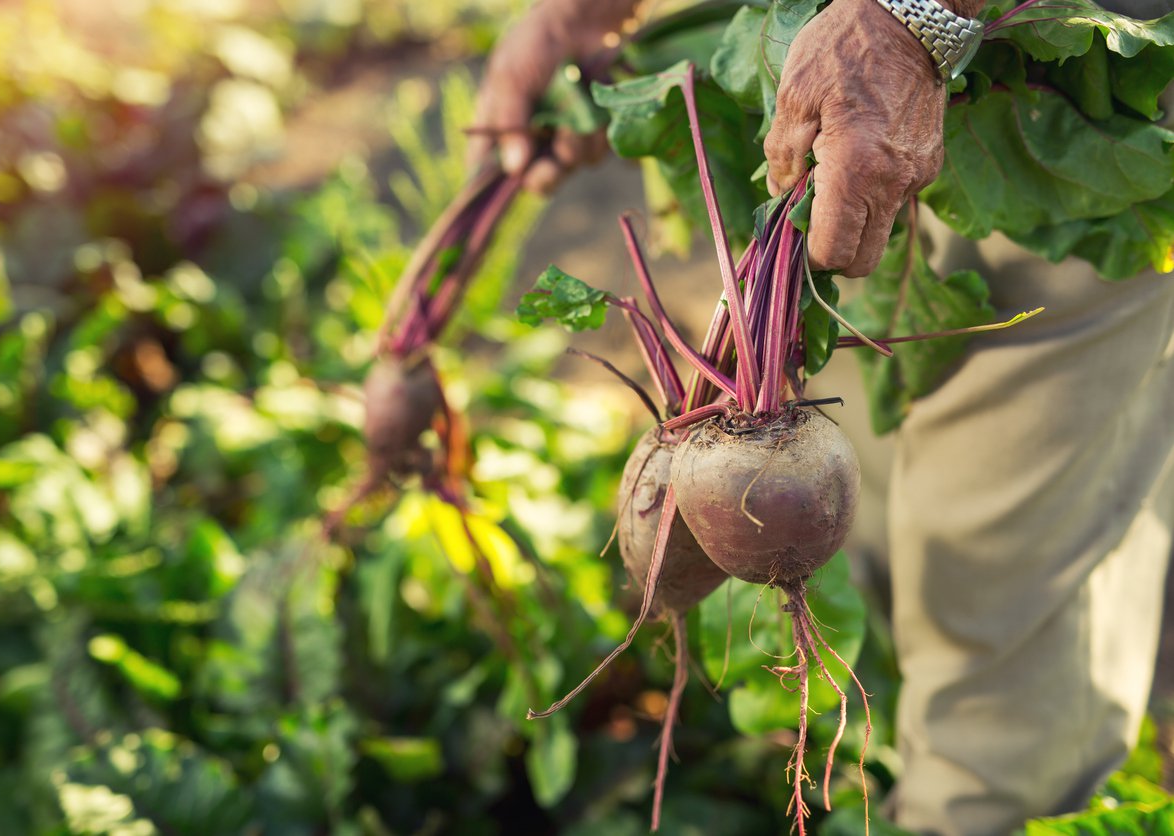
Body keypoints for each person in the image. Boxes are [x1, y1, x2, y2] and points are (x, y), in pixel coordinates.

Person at [468, 0, 1174, 833]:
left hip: (1038, 90)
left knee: (1001, 608)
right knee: (891, 528)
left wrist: (914, 18)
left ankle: (1001, 800)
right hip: (851, 81)